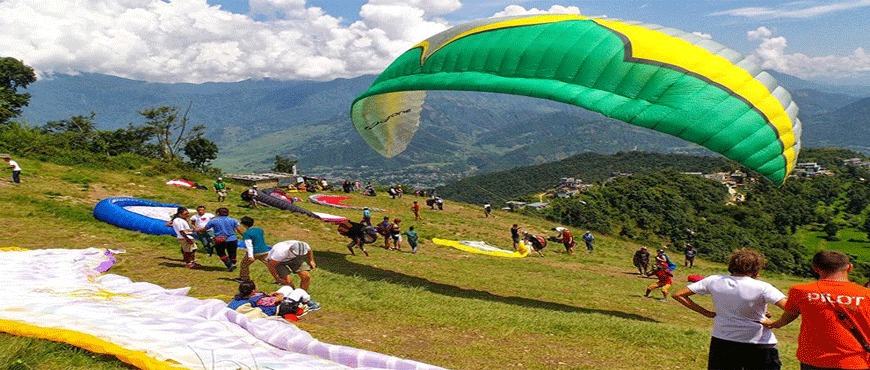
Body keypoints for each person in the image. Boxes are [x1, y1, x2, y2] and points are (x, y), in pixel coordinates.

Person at [672, 249, 787, 370]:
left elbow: (678, 294)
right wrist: (776, 323)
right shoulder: (763, 287)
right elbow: (791, 307)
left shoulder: (714, 280)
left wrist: (706, 313)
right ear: (756, 269)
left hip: (722, 340)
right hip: (758, 343)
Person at [761, 251, 870, 370]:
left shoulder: (800, 291)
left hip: (814, 359)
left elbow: (788, 317)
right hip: (856, 361)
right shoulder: (866, 294)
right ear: (849, 268)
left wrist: (773, 324)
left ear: (815, 268)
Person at [266, 240, 320, 311]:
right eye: (297, 254)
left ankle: (302, 298)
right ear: (290, 249)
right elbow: (271, 266)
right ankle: (291, 299)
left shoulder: (304, 246)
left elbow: (309, 250)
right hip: (278, 262)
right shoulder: (279, 253)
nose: (299, 256)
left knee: (306, 276)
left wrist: (311, 260)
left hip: (293, 259)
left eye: (300, 255)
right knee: (288, 281)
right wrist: (277, 278)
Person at [227, 281, 313, 321]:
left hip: (272, 301)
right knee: (299, 291)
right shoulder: (254, 300)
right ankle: (310, 303)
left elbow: (267, 300)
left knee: (287, 287)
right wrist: (280, 296)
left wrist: (269, 295)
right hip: (281, 306)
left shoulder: (241, 297)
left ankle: (305, 300)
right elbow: (279, 299)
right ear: (253, 291)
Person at [197, 207, 243, 271]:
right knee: (232, 253)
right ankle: (233, 264)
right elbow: (239, 230)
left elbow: (205, 229)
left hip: (220, 240)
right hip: (232, 239)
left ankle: (229, 265)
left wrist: (196, 230)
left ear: (218, 213)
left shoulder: (213, 221)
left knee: (221, 252)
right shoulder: (233, 220)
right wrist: (245, 236)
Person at [237, 216, 272, 282]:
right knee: (270, 264)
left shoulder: (247, 234)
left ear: (244, 225)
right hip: (264, 250)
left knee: (244, 264)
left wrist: (250, 256)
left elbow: (249, 245)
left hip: (255, 252)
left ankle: (244, 278)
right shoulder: (260, 230)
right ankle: (280, 277)